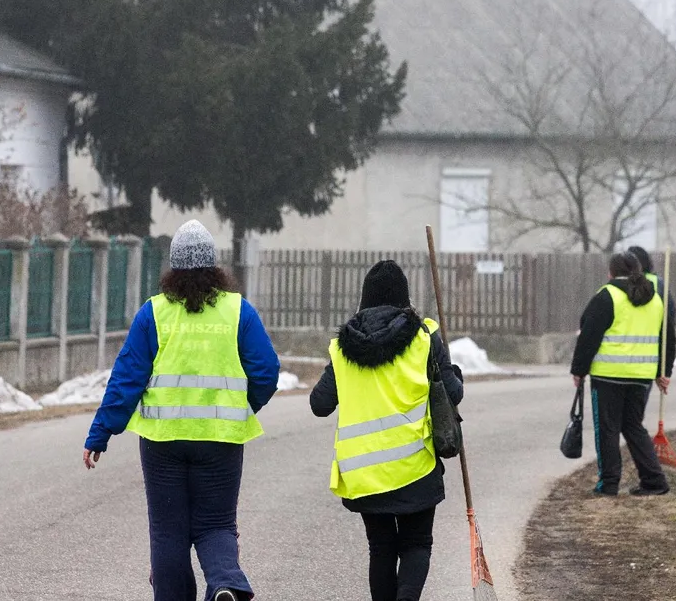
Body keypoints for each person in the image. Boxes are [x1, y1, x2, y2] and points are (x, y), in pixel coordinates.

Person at [83, 220, 280, 601]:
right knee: (216, 524)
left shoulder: (153, 313)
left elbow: (127, 379)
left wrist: (101, 433)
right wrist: (240, 405)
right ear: (215, 267)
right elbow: (267, 371)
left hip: (163, 444)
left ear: (172, 268)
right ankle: (225, 584)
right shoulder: (238, 311)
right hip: (220, 442)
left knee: (168, 532)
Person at [310, 260, 465, 601]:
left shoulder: (343, 346)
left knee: (381, 549)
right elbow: (453, 394)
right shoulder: (424, 338)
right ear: (404, 299)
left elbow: (319, 404)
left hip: (363, 472)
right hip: (415, 465)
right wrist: (450, 368)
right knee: (416, 543)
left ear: (364, 299)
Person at [570, 251, 676, 497]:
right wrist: (664, 372)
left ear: (611, 272)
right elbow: (668, 339)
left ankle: (608, 483)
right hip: (641, 376)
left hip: (608, 375)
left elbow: (589, 335)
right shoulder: (656, 299)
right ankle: (654, 480)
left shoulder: (607, 296)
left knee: (607, 429)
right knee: (633, 426)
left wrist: (579, 370)